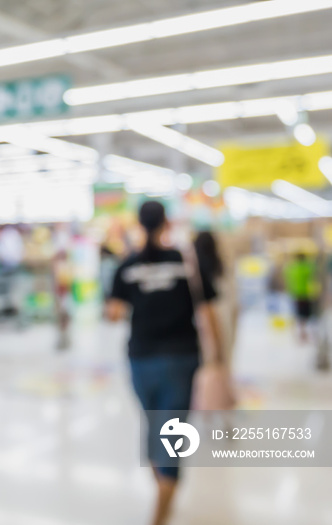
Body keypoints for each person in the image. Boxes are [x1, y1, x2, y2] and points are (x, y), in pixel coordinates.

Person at [106, 201, 221, 525]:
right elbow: (208, 309)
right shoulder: (186, 262)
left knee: (155, 426)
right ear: (167, 223)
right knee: (172, 431)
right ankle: (163, 503)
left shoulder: (127, 265)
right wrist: (219, 356)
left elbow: (113, 313)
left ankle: (161, 503)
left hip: (141, 359)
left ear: (139, 224)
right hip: (182, 358)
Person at [194, 231, 239, 365]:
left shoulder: (194, 272)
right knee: (222, 361)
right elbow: (234, 301)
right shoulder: (222, 270)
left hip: (200, 322)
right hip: (223, 319)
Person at [284, 252, 319, 343]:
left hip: (295, 294)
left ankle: (301, 333)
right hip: (307, 294)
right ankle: (308, 334)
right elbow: (314, 274)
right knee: (308, 314)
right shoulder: (306, 267)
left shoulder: (292, 268)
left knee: (299, 314)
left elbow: (287, 278)